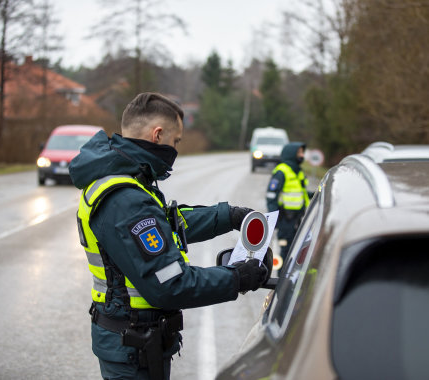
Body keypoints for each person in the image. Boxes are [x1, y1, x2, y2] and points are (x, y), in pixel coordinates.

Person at [69, 92, 272, 380]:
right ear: (157, 134)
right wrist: (237, 277)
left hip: (134, 339)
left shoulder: (127, 181)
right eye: (175, 141)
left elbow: (165, 224)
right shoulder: (125, 199)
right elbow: (171, 284)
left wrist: (229, 216)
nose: (176, 149)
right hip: (132, 348)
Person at [266, 142, 313, 264]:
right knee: (285, 252)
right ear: (291, 154)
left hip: (297, 219)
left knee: (297, 251)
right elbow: (271, 196)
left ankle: (292, 279)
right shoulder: (281, 172)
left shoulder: (298, 171)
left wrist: (316, 193)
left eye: (302, 152)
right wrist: (275, 219)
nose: (302, 155)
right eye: (299, 153)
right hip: (285, 220)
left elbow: (301, 192)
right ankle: (281, 280)